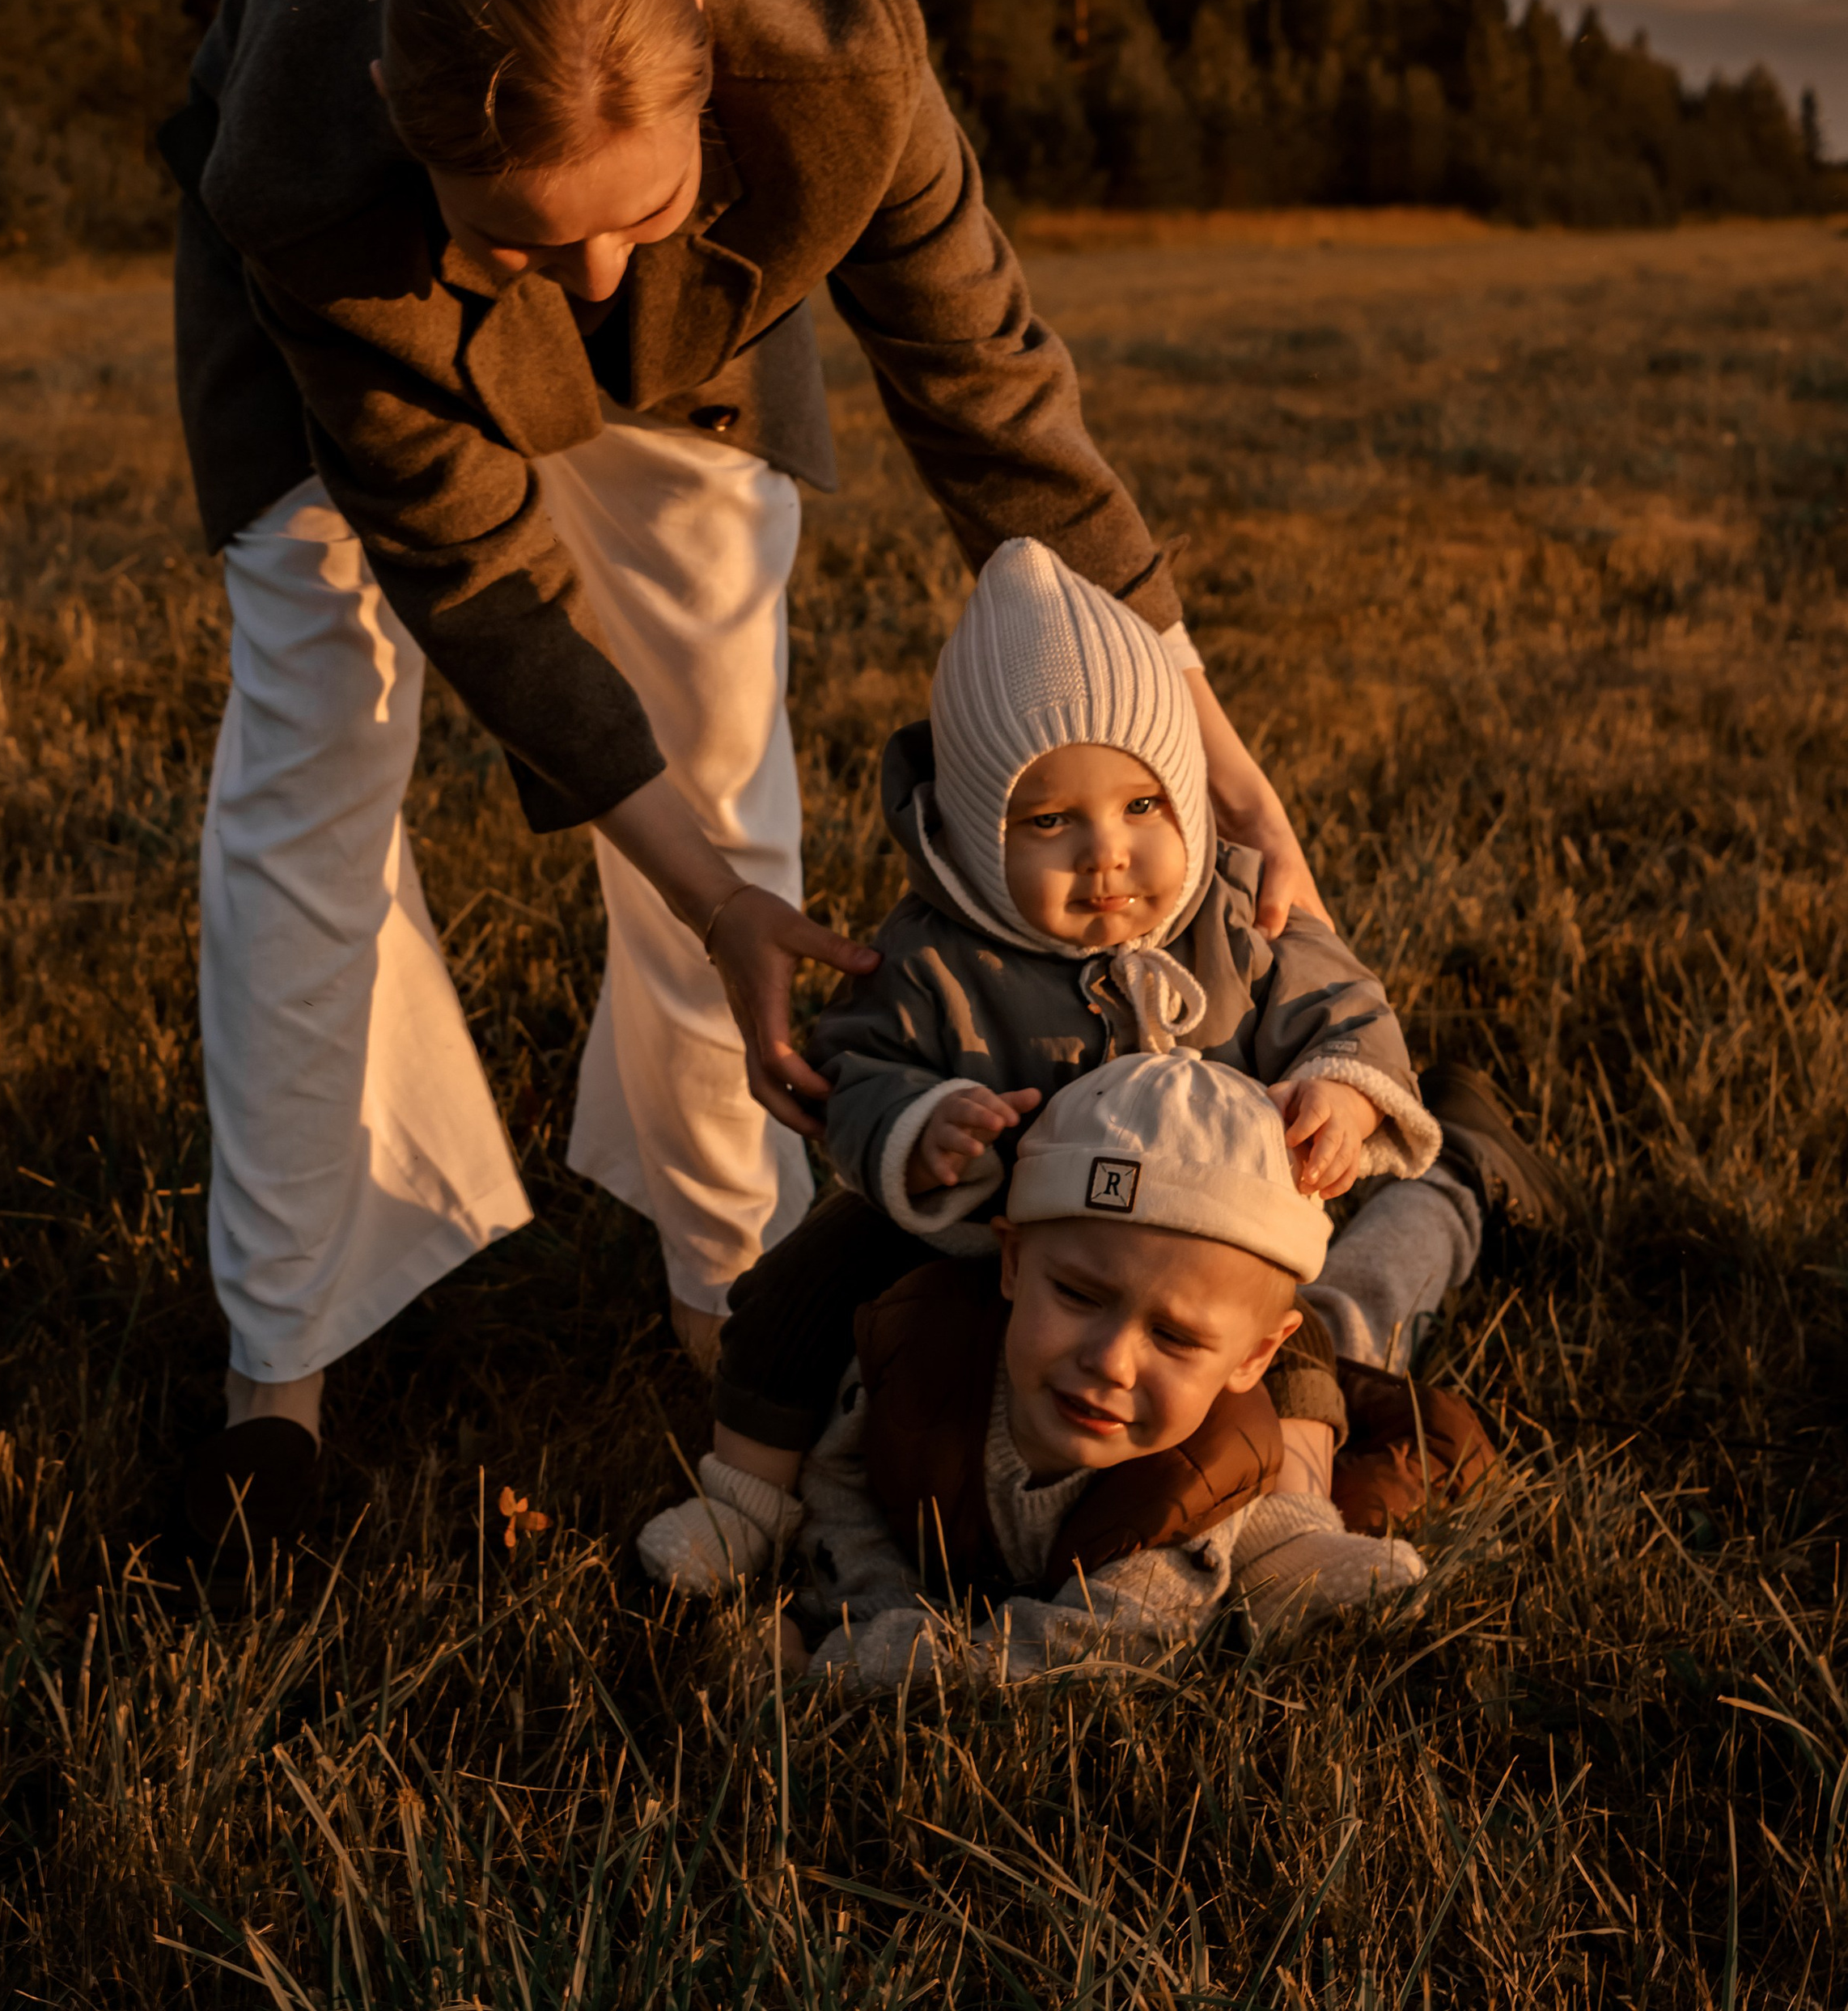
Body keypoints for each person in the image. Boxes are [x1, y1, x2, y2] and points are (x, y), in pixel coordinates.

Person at [159, 0, 1327, 1543]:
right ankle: (280, 1365)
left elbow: (993, 408)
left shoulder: (841, 59)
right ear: (397, 119)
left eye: (635, 218)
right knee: (313, 757)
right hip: (345, 313)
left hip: (711, 327)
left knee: (718, 757)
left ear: (708, 46)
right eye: (532, 240)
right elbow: (478, 583)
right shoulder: (309, 166)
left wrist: (1211, 746)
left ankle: (730, 1281)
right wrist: (711, 908)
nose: (594, 283)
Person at [638, 539, 1517, 1602]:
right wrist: (923, 1123)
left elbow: (1345, 1004)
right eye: (1048, 821)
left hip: (1195, 1226)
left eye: (1143, 807)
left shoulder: (1236, 916)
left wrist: (1340, 1083)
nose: (1106, 853)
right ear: (971, 833)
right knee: (800, 1287)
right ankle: (747, 1499)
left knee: (1284, 1339)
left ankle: (1286, 1527)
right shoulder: (932, 954)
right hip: (981, 1227)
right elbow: (855, 1062)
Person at [784, 1052, 1433, 1693]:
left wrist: (846, 1660)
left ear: (1253, 1358)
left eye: (1174, 1336)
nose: (1111, 1361)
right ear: (1012, 1262)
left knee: (1366, 1305)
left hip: (1301, 1407)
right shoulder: (927, 1343)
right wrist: (882, 1602)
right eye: (1078, 1296)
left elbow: (1087, 1656)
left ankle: (1453, 1179)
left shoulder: (1198, 1481)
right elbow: (841, 1489)